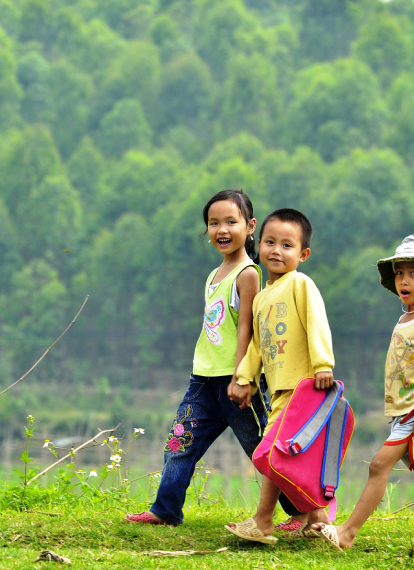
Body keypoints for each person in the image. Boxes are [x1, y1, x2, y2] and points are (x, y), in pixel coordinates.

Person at [125, 189, 301, 527]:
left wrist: (243, 378)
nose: (222, 230)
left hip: (236, 383)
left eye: (230, 222)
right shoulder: (213, 275)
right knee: (180, 442)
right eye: (213, 223)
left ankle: (303, 513)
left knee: (262, 450)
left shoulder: (248, 274)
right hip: (202, 380)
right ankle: (165, 510)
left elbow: (248, 330)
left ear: (250, 227)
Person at [313, 234, 414, 553]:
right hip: (403, 415)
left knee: (378, 465)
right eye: (399, 273)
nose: (404, 281)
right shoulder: (405, 318)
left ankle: (348, 533)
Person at [225, 208, 335, 544]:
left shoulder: (300, 284)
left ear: (303, 254)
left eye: (287, 245)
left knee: (273, 454)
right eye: (270, 242)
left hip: (303, 388)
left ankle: (263, 520)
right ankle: (317, 519)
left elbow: (317, 323)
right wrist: (245, 378)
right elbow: (257, 346)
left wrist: (322, 365)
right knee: (281, 456)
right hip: (278, 392)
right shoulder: (261, 299)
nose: (276, 250)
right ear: (259, 245)